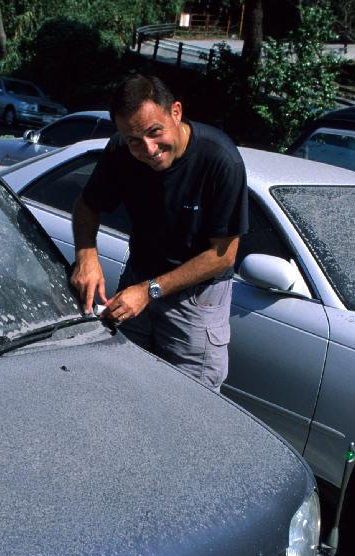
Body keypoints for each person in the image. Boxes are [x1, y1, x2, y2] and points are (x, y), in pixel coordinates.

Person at [70, 74, 248, 390]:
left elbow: (223, 256)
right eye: (134, 140)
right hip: (137, 281)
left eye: (155, 133)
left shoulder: (220, 160)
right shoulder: (121, 151)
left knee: (189, 402)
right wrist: (87, 256)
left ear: (176, 112)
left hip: (197, 301)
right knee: (115, 383)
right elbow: (87, 207)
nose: (148, 149)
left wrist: (149, 290)